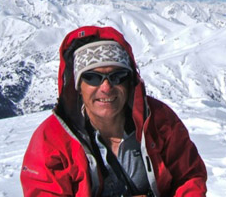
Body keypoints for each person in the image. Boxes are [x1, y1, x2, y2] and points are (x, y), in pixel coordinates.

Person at [21, 25, 207, 197]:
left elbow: (189, 177)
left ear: (129, 82)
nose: (106, 87)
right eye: (92, 77)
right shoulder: (52, 139)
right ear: (78, 86)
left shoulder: (159, 120)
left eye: (117, 76)